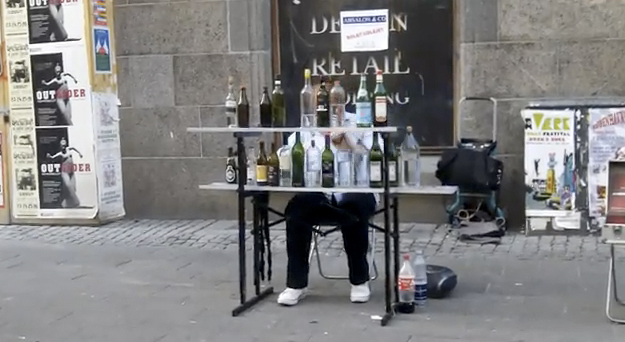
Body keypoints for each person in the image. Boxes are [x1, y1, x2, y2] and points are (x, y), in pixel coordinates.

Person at [277, 111, 383, 306]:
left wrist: (347, 140)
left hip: (357, 189)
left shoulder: (360, 123)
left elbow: (377, 158)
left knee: (354, 204)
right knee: (297, 207)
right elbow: (285, 155)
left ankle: (359, 280)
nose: (329, 109)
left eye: (335, 103)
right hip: (320, 194)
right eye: (323, 104)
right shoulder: (307, 127)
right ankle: (296, 284)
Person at [46, 137, 83, 208]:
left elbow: (74, 148)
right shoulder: (60, 153)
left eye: (64, 144)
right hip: (65, 171)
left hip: (71, 170)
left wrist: (80, 154)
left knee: (73, 187)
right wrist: (49, 156)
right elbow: (53, 157)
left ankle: (66, 204)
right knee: (68, 186)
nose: (63, 146)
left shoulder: (69, 149)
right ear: (60, 146)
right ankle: (76, 202)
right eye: (61, 145)